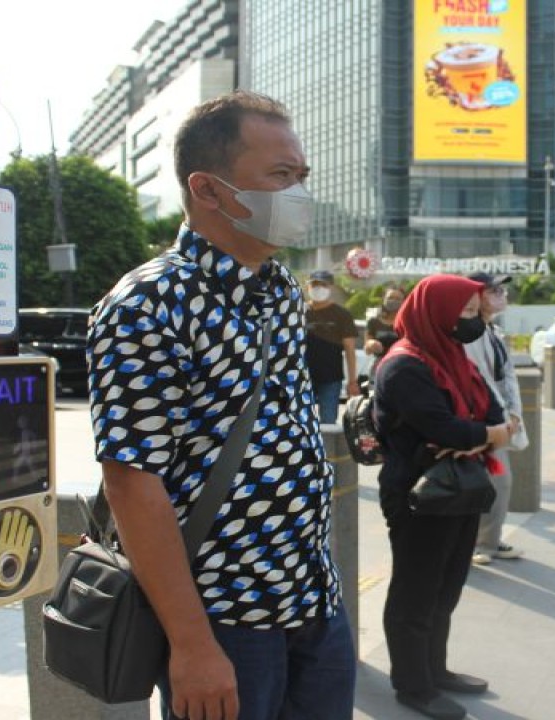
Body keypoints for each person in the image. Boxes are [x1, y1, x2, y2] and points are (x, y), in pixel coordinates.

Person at [86, 91, 355, 720]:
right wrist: (191, 645)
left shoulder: (280, 290)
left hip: (312, 596)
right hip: (224, 619)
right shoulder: (150, 303)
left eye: (302, 177)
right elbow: (131, 480)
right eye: (281, 177)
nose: (300, 195)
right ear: (208, 191)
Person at [374, 274, 513, 720]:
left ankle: (435, 670)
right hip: (418, 496)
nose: (474, 322)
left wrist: (481, 434)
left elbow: (493, 414)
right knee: (416, 591)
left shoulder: (452, 357)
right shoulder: (403, 365)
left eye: (476, 314)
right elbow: (447, 428)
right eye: (467, 314)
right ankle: (413, 685)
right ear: (436, 314)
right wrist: (484, 434)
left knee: (446, 588)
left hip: (460, 488)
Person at [461, 273, 524, 565]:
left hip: (497, 419)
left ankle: (489, 540)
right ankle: (476, 545)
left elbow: (506, 375)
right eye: (494, 290)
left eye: (502, 289)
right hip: (478, 422)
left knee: (501, 481)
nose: (502, 295)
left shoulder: (493, 332)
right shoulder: (465, 332)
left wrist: (512, 412)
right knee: (479, 482)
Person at [305, 269, 359, 423]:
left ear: (331, 288)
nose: (318, 288)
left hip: (331, 378)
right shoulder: (299, 311)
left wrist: (352, 381)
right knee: (301, 422)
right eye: (314, 284)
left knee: (328, 422)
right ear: (308, 287)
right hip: (301, 377)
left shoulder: (342, 314)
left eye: (323, 284)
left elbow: (350, 350)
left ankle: (326, 448)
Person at [364, 286, 405, 362]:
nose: (393, 301)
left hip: (401, 364)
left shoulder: (407, 323)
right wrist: (371, 344)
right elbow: (367, 350)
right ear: (384, 299)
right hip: (378, 365)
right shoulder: (373, 322)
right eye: (390, 298)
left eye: (397, 299)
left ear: (404, 301)